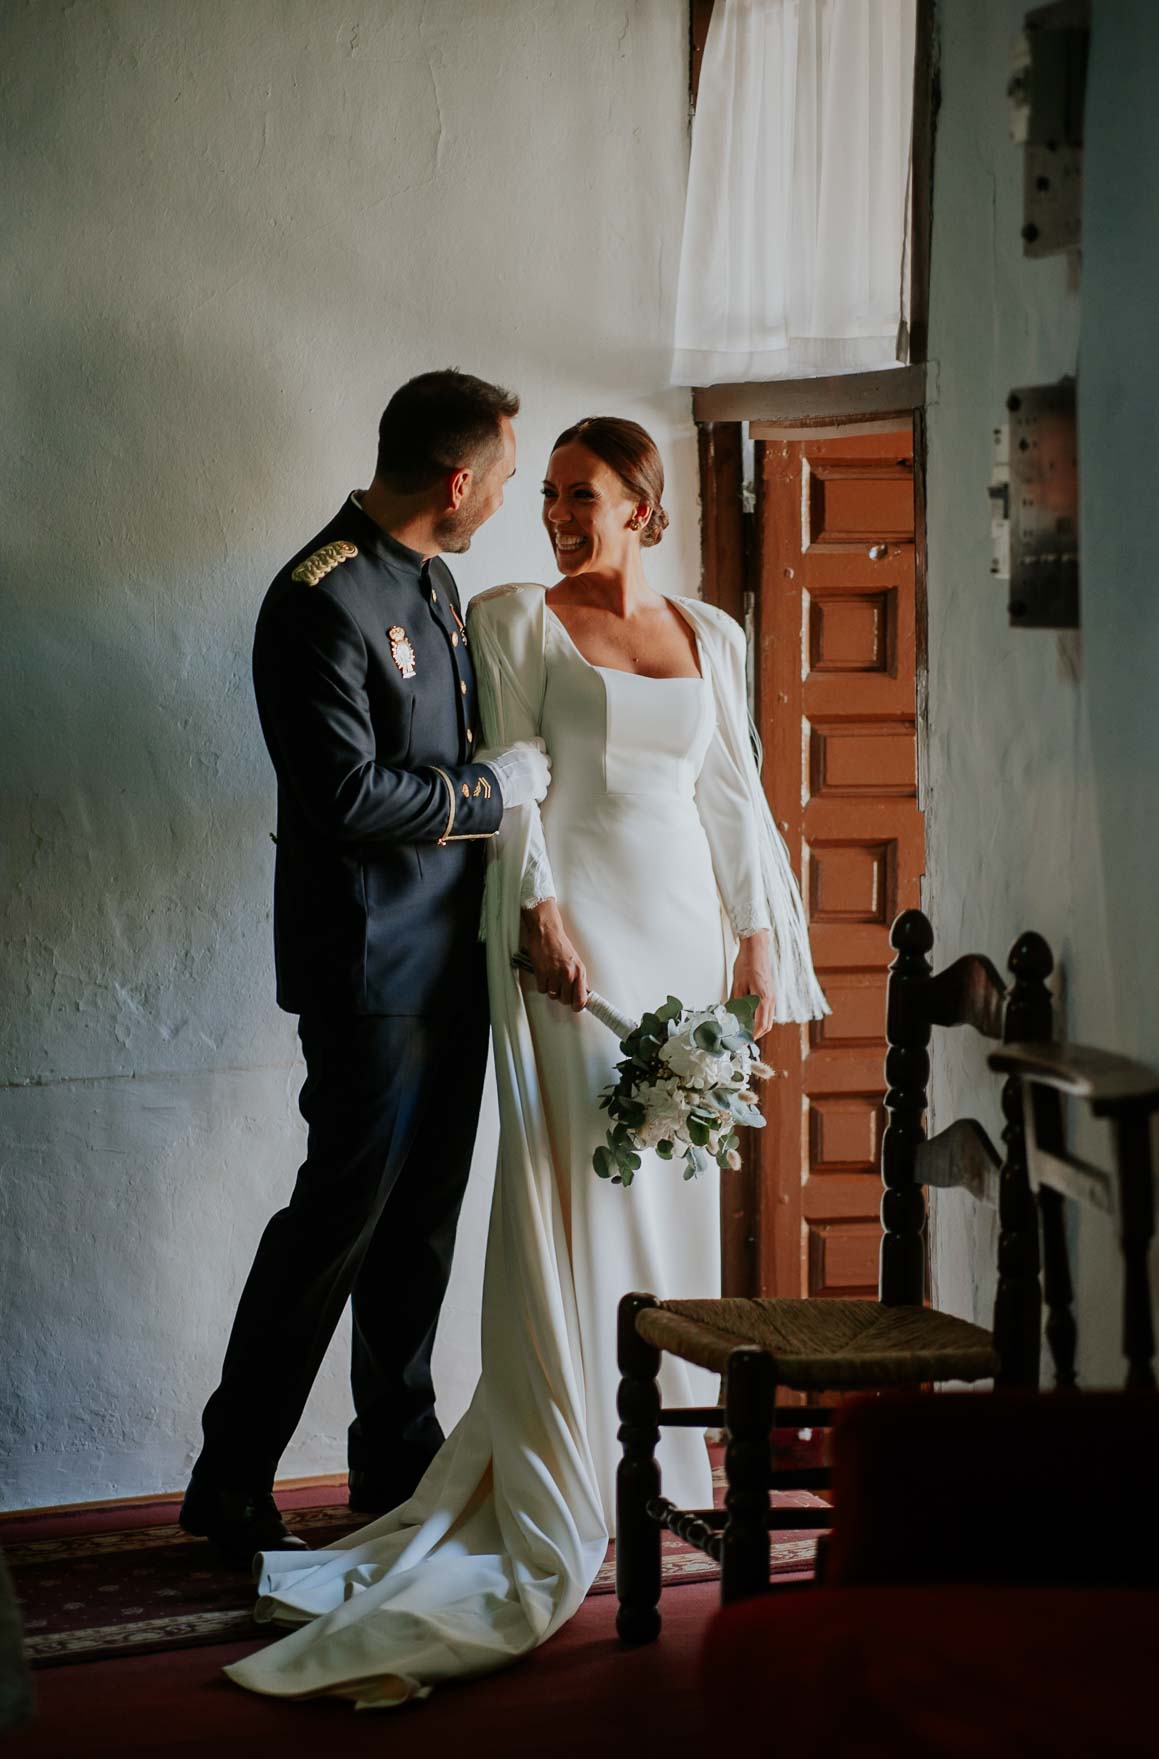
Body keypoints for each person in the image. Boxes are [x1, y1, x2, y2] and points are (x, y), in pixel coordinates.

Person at [223, 417, 827, 1707]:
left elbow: (733, 797)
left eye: (581, 495)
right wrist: (541, 910)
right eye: (540, 490)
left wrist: (758, 942)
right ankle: (556, 1456)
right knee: (560, 1192)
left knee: (663, 1192)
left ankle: (660, 1459)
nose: (553, 512)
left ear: (645, 509)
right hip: (575, 955)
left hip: (680, 945)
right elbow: (520, 791)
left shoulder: (711, 636)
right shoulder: (505, 616)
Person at [179, 370, 552, 1567]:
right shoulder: (318, 600)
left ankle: (396, 1458)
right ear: (457, 481)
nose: (500, 502)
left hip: (451, 960)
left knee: (422, 1232)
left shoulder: (435, 583)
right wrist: (491, 797)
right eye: (499, 481)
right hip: (367, 967)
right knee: (335, 1222)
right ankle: (231, 1478)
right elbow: (342, 795)